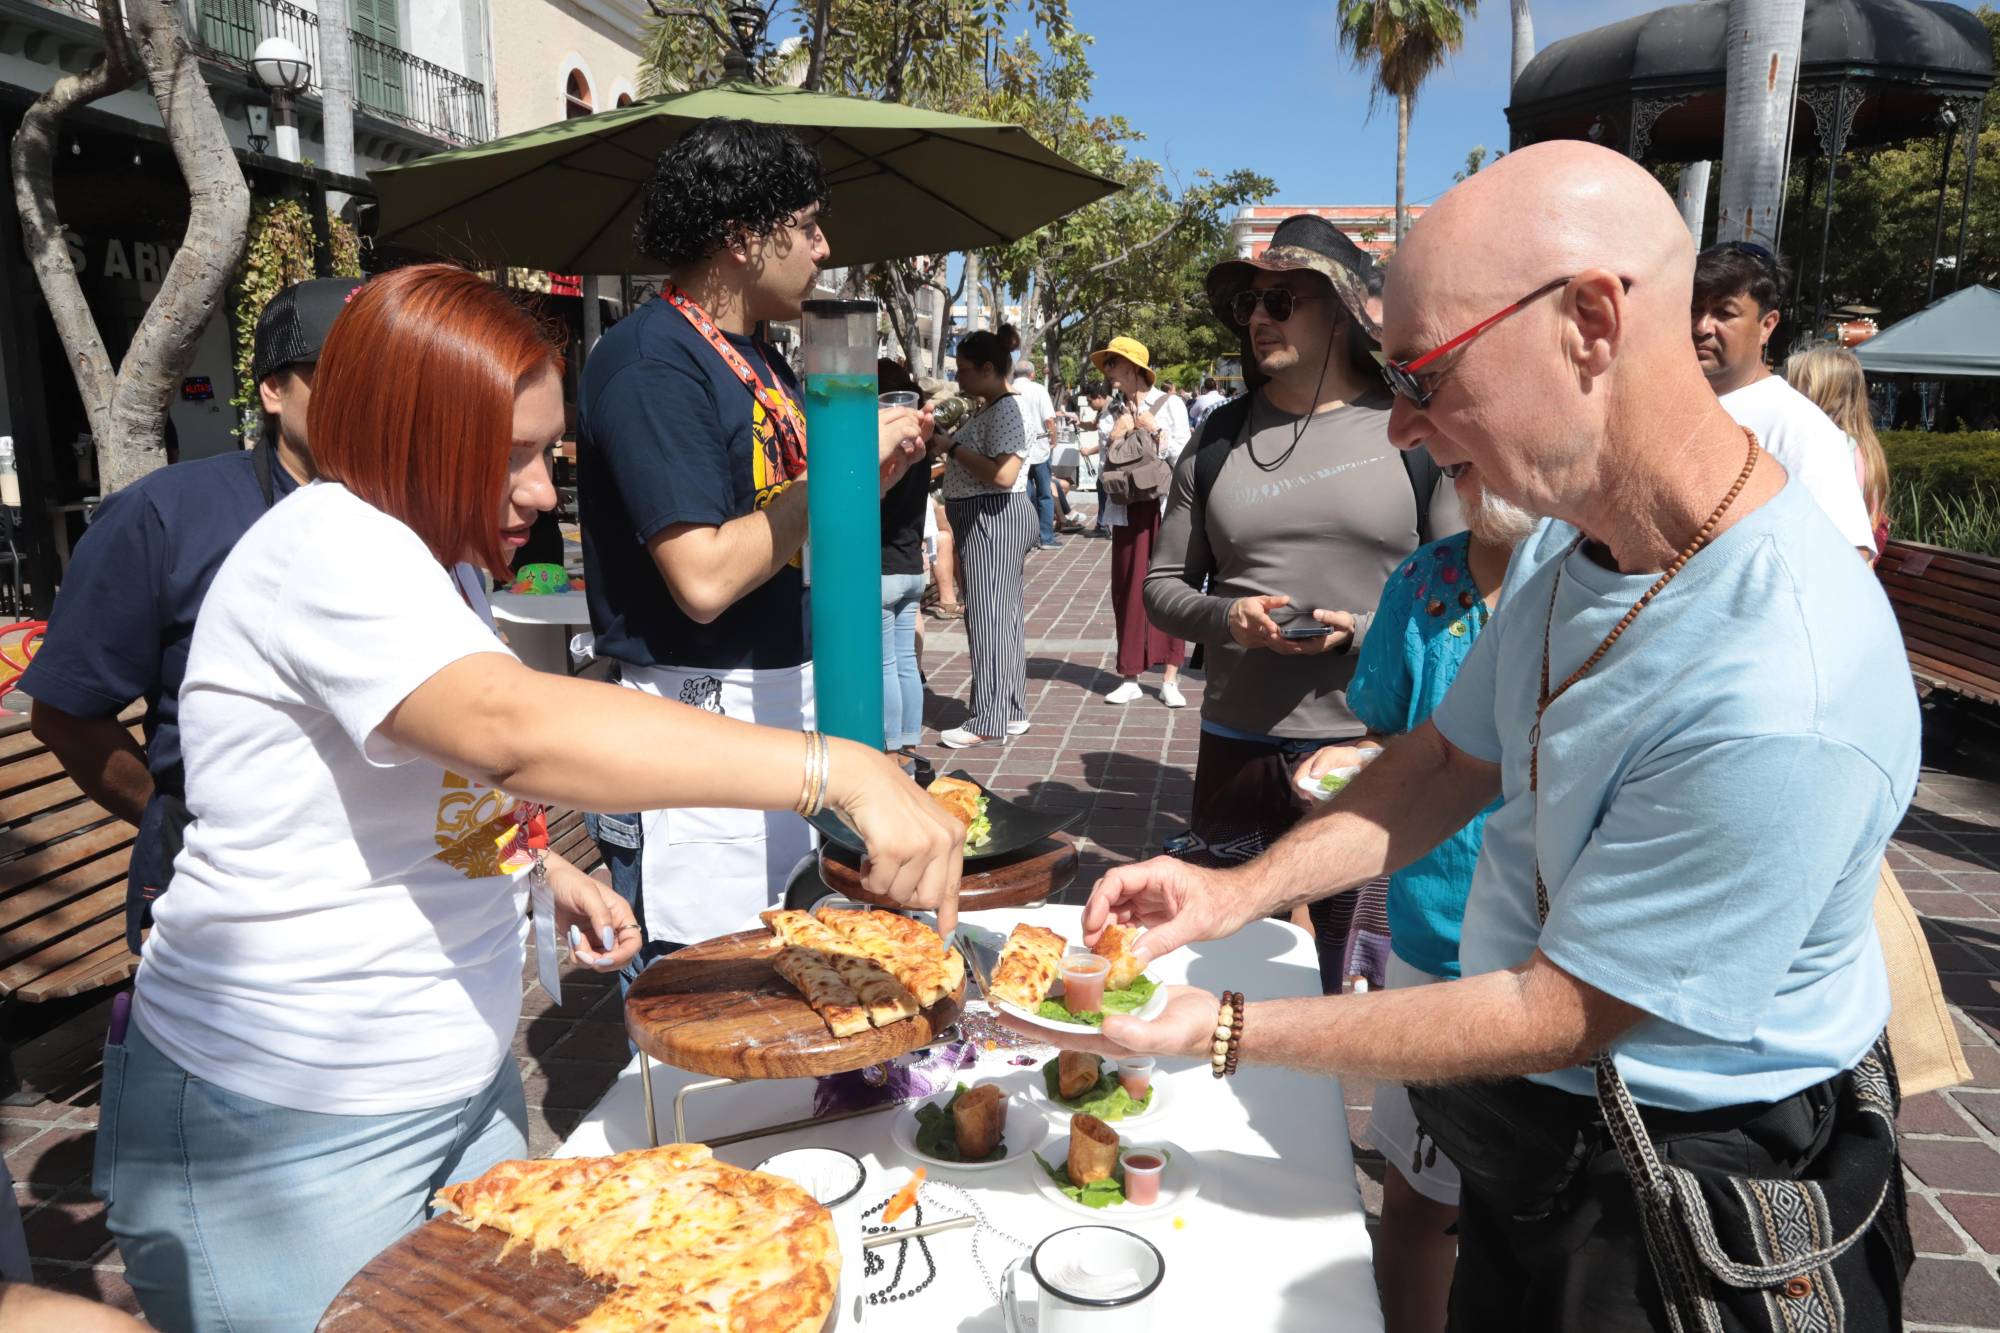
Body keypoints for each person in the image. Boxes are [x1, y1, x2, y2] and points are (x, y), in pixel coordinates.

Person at [1041, 142, 1918, 1332]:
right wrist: (1230, 896)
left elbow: (1561, 1007)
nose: (1402, 426)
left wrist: (1228, 1026)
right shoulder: (1570, 534)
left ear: (1589, 323)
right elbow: (1450, 759)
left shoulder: (1781, 674)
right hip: (1534, 1129)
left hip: (1675, 1192)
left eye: (1425, 374)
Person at [97, 265, 962, 1333]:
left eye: (546, 454)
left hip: (455, 1089)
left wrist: (534, 866)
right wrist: (836, 768)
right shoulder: (328, 542)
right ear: (406, 434)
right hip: (289, 1126)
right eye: (508, 455)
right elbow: (506, 728)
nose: (544, 493)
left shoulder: (439, 562)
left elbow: (402, 779)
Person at [578, 118, 928, 961]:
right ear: (741, 239)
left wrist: (867, 477)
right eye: (806, 226)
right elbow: (702, 576)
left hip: (781, 715)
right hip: (695, 724)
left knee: (799, 965)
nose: (823, 246)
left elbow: (784, 524)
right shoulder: (651, 363)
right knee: (714, 987)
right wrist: (836, 476)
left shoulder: (761, 358)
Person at [1144, 213, 1456, 988]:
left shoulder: (1409, 431)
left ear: (1341, 312)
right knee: (1224, 970)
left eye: (1281, 301)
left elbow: (1462, 592)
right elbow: (1162, 587)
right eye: (1250, 302)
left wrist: (1366, 632)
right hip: (1237, 747)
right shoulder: (1218, 438)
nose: (1258, 316)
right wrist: (1228, 619)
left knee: (1361, 974)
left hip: (1368, 747)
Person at [21, 277, 363, 955]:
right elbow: (65, 713)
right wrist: (181, 823)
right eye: (343, 379)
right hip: (223, 901)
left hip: (378, 880)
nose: (372, 401)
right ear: (274, 390)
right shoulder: (168, 513)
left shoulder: (415, 515)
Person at [1297, 470, 1537, 1333]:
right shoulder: (1425, 581)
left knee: (1536, 1221)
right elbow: (1391, 734)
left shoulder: (1598, 579)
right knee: (1421, 1201)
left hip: (1556, 961)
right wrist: (1352, 766)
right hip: (1432, 942)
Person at [1691, 242, 1876, 557]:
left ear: (1767, 325)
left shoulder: (1801, 428)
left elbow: (1846, 558)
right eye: (1694, 309)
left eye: (1724, 313)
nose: (1702, 327)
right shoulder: (1669, 404)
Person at [936, 330, 1036, 749]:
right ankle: (1009, 710)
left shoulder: (1006, 408)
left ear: (989, 369)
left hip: (992, 519)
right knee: (1002, 618)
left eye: (963, 370)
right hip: (988, 518)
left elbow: (1003, 474)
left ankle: (989, 718)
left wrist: (951, 448)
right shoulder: (995, 406)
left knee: (988, 620)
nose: (959, 379)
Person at [1091, 336, 1188, 709]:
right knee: (1127, 586)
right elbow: (1106, 466)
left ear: (1133, 367)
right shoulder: (1111, 411)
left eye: (1113, 362)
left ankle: (1170, 677)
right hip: (1126, 507)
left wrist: (1155, 430)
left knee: (1170, 584)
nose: (1108, 370)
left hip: (1164, 506)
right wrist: (1115, 435)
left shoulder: (1171, 404)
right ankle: (1129, 674)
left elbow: (1185, 455)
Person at [1787, 344, 1891, 556]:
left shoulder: (1826, 445)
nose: (1786, 392)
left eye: (1795, 385)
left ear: (1823, 391)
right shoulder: (1863, 447)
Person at [879, 359, 932, 761]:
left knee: (884, 665)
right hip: (911, 565)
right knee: (906, 663)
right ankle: (910, 745)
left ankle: (892, 750)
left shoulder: (884, 449)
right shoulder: (920, 444)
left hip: (883, 568)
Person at [1014, 360, 1063, 549]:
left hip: (1018, 448)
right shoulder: (1038, 389)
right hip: (1039, 447)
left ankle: (1028, 537)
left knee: (1024, 494)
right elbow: (1049, 419)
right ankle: (1046, 538)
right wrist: (1053, 439)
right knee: (1044, 494)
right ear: (1032, 374)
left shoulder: (1010, 389)